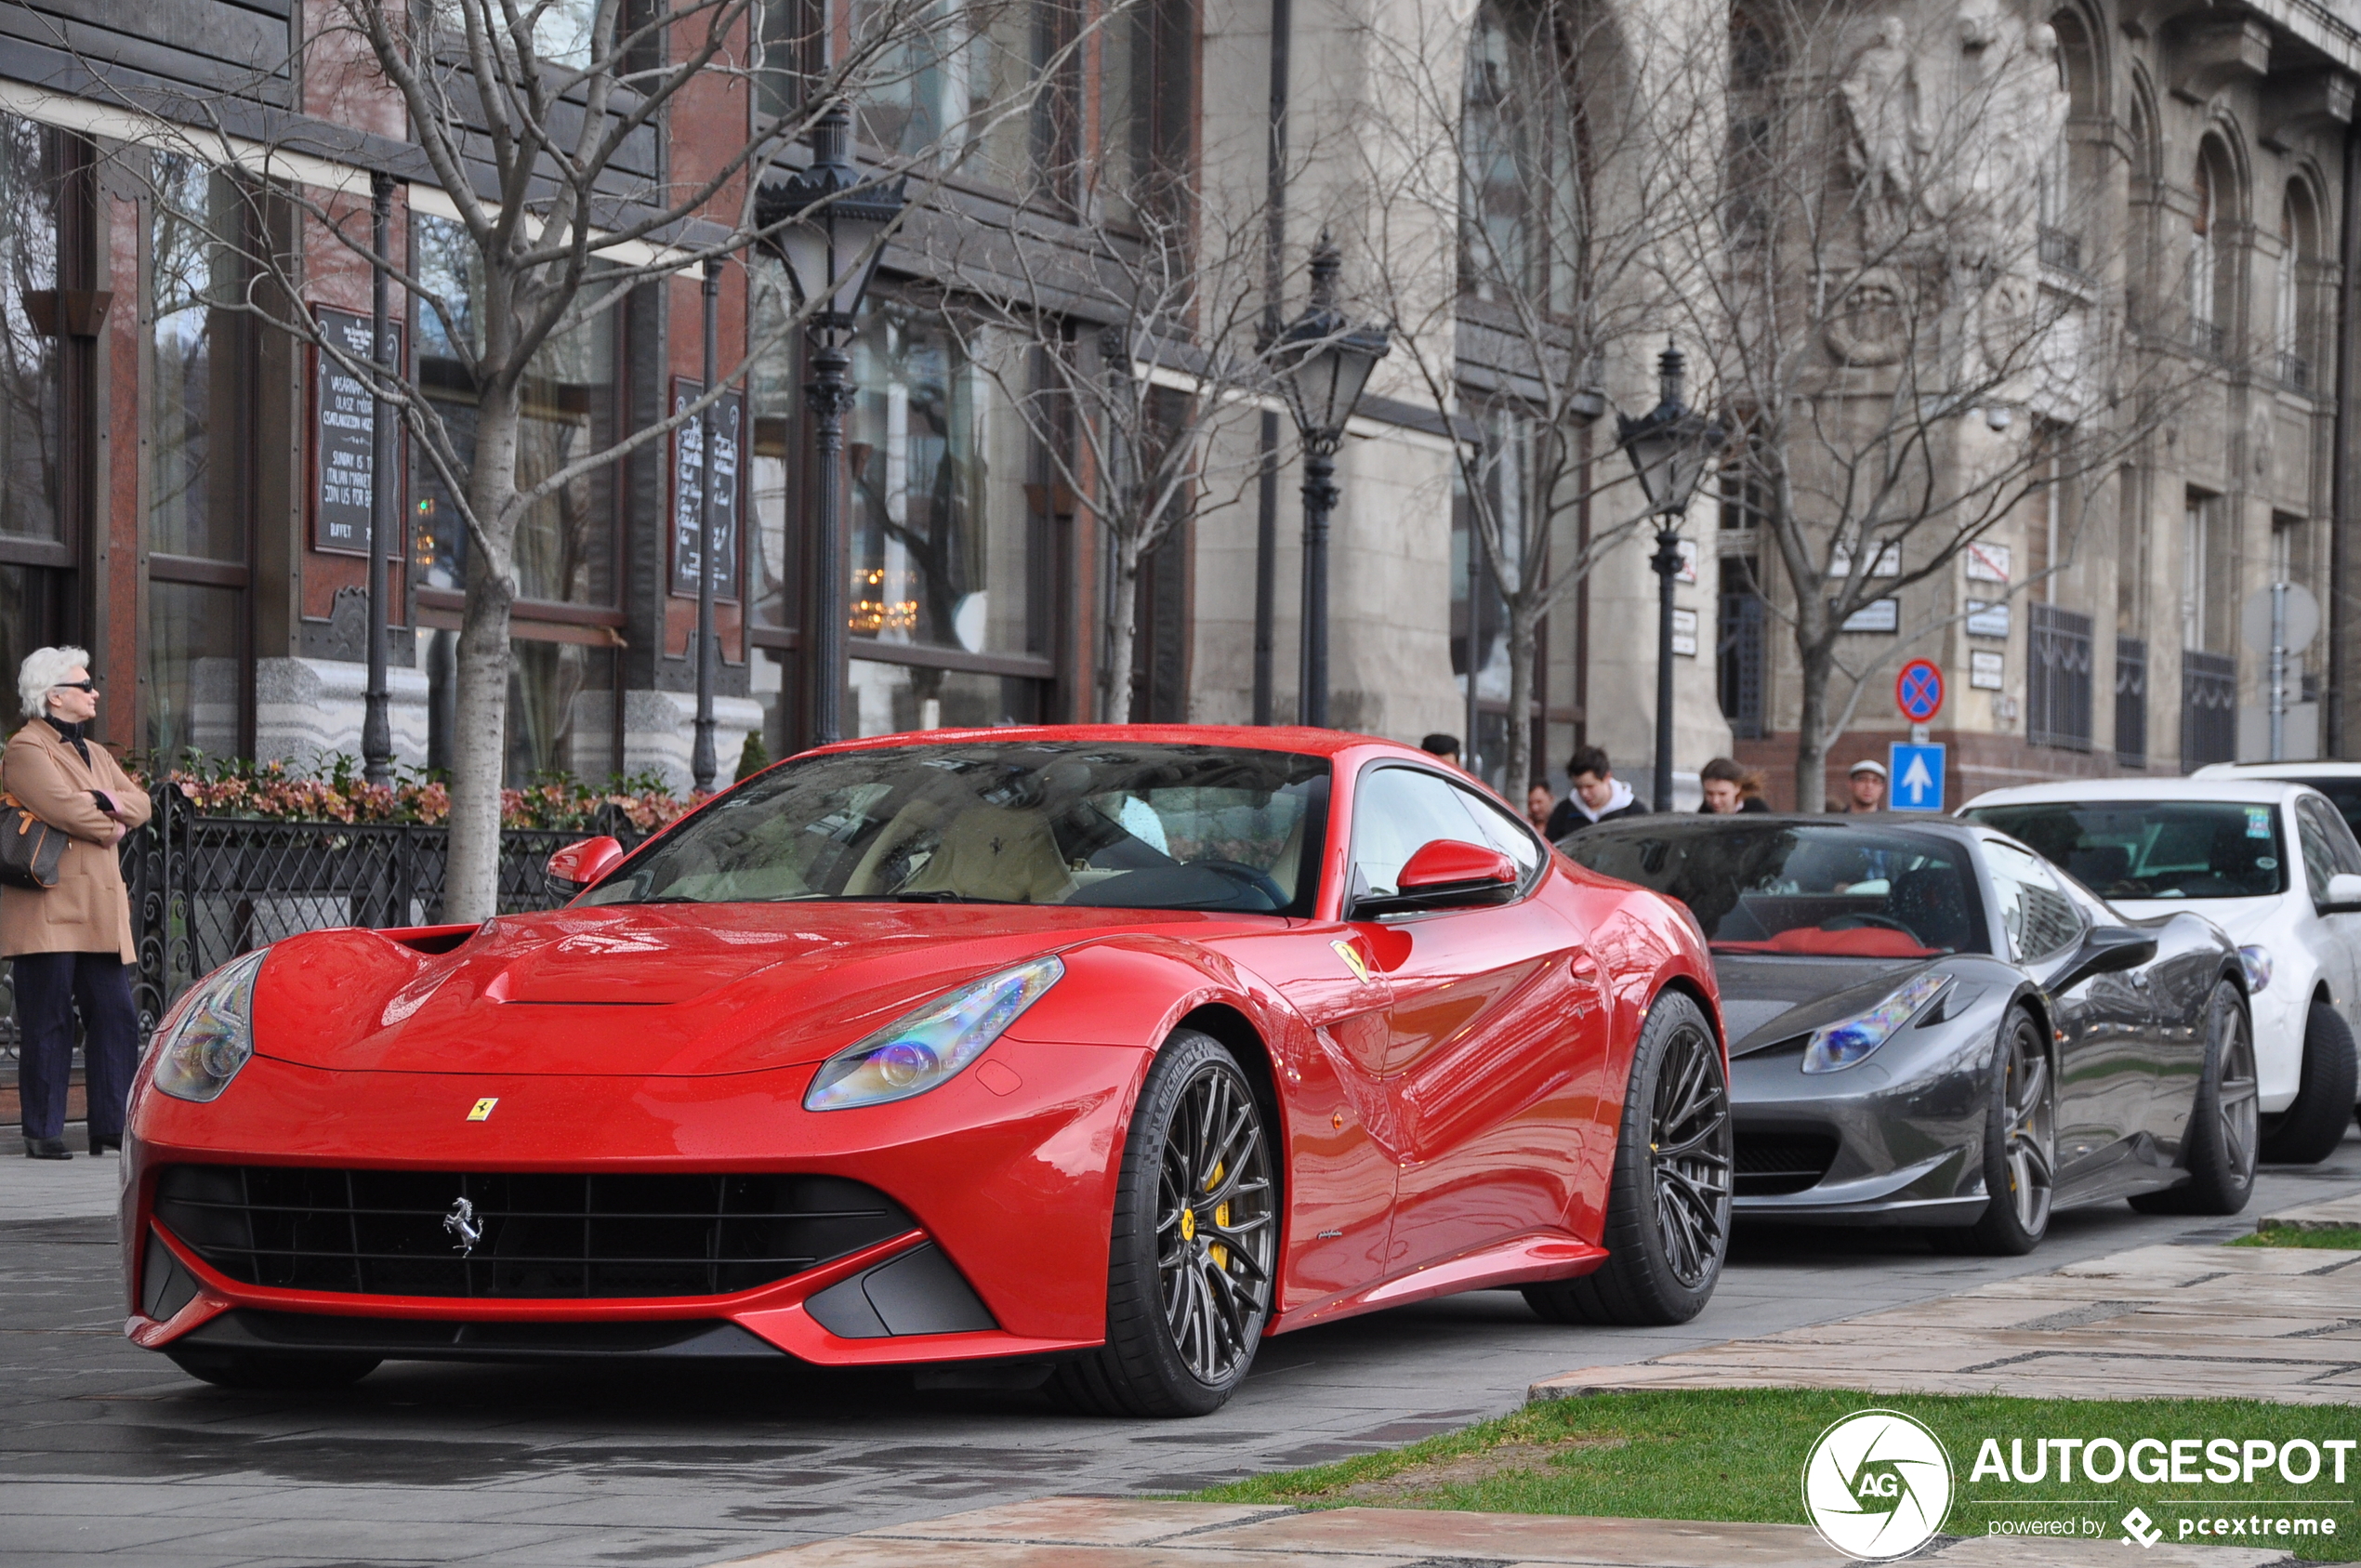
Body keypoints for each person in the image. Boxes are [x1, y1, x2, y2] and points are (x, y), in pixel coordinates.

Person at [3, 648, 150, 1160]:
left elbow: (143, 802)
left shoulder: (95, 752)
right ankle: (42, 1131)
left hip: (98, 908)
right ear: (54, 695)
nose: (94, 692)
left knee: (117, 1015)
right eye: (84, 685)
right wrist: (111, 818)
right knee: (48, 1021)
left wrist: (106, 806)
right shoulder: (26, 749)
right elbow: (63, 808)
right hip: (47, 908)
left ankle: (109, 1125)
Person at [1545, 745, 1649, 838]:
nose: (1584, 793)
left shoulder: (1635, 813)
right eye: (1578, 787)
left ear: (1607, 777)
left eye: (1590, 786)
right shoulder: (1563, 812)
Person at [1698, 757, 1770, 814]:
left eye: (1722, 794)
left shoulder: (1758, 813)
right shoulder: (1703, 814)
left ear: (1737, 788)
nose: (1715, 801)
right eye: (1709, 794)